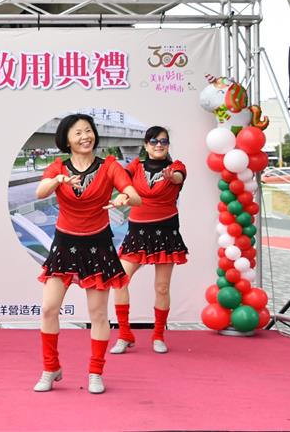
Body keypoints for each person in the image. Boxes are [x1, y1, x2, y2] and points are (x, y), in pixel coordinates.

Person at [32, 114, 140, 394]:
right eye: (78, 132)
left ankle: (95, 372)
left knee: (98, 313)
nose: (85, 137)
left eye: (88, 131)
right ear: (67, 139)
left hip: (98, 245)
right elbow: (40, 192)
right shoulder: (57, 167)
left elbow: (136, 195)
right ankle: (50, 368)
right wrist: (58, 180)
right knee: (49, 308)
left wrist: (123, 197)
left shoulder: (110, 166)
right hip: (64, 244)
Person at [111, 126, 188, 354]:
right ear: (146, 145)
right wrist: (122, 196)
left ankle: (158, 335)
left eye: (163, 141)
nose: (159, 145)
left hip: (165, 234)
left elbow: (178, 177)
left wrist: (172, 177)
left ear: (168, 145)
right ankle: (124, 334)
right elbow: (122, 184)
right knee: (120, 280)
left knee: (162, 288)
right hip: (137, 234)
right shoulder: (135, 167)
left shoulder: (176, 167)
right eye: (154, 141)